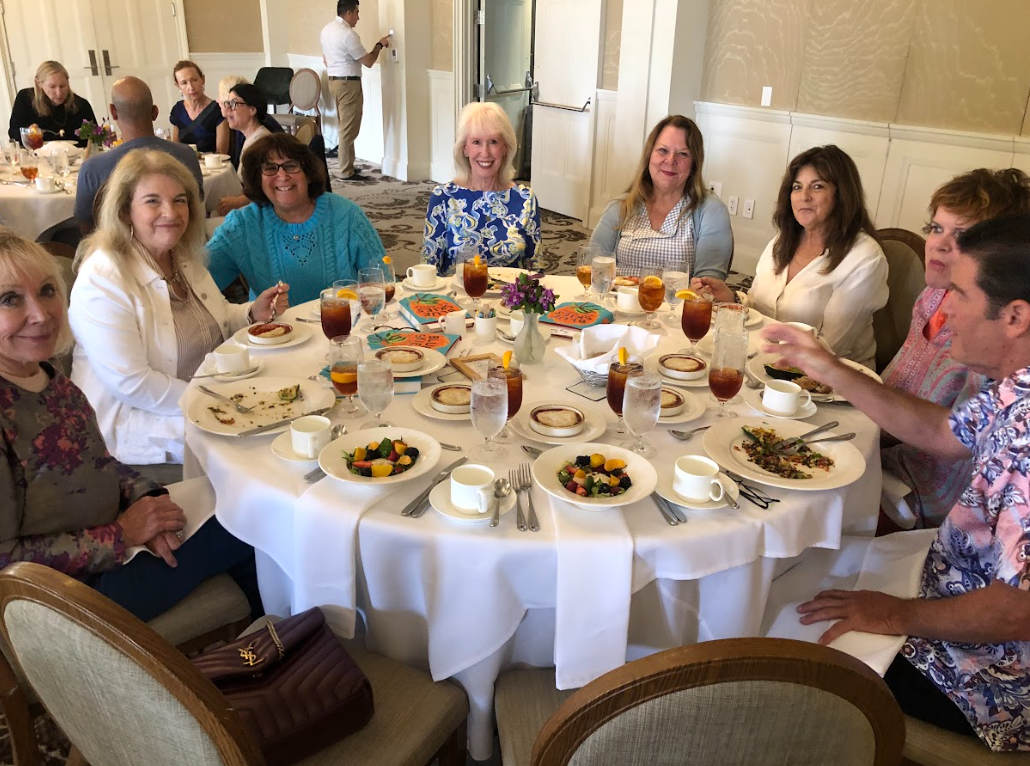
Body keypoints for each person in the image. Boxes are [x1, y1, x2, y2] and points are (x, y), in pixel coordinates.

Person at [765, 215, 1030, 752]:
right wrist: (825, 364)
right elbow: (939, 429)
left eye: (959, 291)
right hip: (941, 577)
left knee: (774, 665)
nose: (944, 305)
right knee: (789, 577)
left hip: (988, 676)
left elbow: (1017, 609)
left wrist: (892, 612)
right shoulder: (1013, 389)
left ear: (1015, 316)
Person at [0, 227, 262, 622]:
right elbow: (6, 560)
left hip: (111, 544)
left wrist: (147, 501)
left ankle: (257, 652)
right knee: (254, 521)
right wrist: (122, 534)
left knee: (236, 508)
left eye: (48, 291)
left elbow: (98, 462)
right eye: (10, 300)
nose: (40, 315)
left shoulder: (44, 373)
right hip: (62, 599)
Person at [69, 150, 287, 467]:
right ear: (126, 211)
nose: (170, 212)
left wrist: (252, 313)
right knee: (268, 448)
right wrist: (216, 402)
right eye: (153, 201)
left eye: (180, 200)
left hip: (207, 395)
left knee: (290, 403)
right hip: (141, 425)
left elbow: (217, 317)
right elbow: (133, 384)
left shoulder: (180, 255)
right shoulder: (103, 280)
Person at [880, 168, 1030, 528]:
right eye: (936, 228)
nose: (939, 244)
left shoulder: (991, 339)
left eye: (961, 235)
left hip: (924, 499)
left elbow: (949, 443)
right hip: (884, 448)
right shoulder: (933, 297)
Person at [695, 145, 887, 368]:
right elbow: (759, 307)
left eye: (817, 187)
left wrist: (760, 360)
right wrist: (732, 300)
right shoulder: (782, 241)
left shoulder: (864, 258)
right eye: (797, 187)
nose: (804, 197)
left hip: (828, 385)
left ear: (841, 194)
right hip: (764, 362)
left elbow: (832, 347)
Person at [207, 133, 383, 305]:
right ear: (258, 179)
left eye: (291, 166)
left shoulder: (347, 215)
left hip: (343, 328)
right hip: (273, 330)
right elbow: (197, 281)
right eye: (270, 168)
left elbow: (382, 282)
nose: (282, 176)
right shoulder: (242, 224)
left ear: (307, 173)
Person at [591, 115, 732, 280]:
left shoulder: (711, 211)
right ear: (649, 155)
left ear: (694, 163)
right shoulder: (620, 206)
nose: (671, 160)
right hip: (617, 300)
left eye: (683, 154)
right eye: (663, 150)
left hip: (676, 304)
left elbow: (709, 281)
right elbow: (594, 262)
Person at [421, 101, 541, 275]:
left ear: (505, 148)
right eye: (476, 142)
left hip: (509, 300)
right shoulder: (444, 197)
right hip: (457, 297)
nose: (485, 152)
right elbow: (428, 269)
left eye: (493, 142)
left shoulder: (525, 198)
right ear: (465, 149)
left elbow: (536, 268)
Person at [74, 77, 204, 231]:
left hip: (118, 250)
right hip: (181, 246)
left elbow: (86, 227)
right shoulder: (186, 155)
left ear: (113, 112)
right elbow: (197, 210)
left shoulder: (92, 168)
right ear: (155, 112)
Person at [320, 0, 390, 181]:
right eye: (357, 13)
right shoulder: (347, 35)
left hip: (333, 82)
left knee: (345, 125)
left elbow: (325, 60)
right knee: (348, 128)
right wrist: (379, 45)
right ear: (349, 12)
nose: (358, 17)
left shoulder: (326, 30)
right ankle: (345, 171)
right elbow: (368, 61)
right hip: (348, 84)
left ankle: (348, 166)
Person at [215, 83, 282, 216]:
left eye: (234, 104)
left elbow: (272, 186)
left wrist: (239, 201)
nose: (228, 109)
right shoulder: (252, 137)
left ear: (252, 110)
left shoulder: (261, 142)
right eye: (227, 103)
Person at [7, 61, 97, 146]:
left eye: (62, 86)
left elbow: (95, 138)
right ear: (39, 83)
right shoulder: (25, 98)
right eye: (52, 87)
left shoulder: (81, 104)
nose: (59, 93)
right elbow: (14, 134)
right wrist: (28, 134)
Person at [169, 59, 228, 155]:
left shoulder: (217, 110)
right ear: (178, 86)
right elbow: (176, 148)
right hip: (185, 165)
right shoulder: (178, 110)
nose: (191, 87)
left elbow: (222, 153)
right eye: (184, 83)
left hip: (212, 167)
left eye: (194, 80)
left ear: (203, 79)